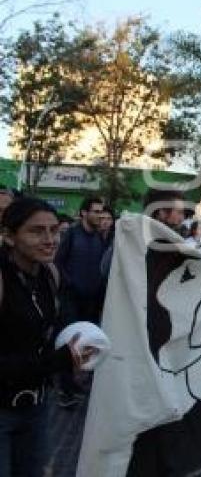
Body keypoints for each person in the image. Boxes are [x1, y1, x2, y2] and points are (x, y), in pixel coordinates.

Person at [0, 197, 94, 477]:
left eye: (54, 230)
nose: (50, 239)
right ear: (9, 236)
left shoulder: (51, 274)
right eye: (36, 231)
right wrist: (57, 360)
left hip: (37, 408)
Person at [53, 196, 108, 408]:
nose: (99, 215)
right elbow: (57, 262)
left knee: (88, 342)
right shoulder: (71, 235)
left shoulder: (99, 237)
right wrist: (70, 284)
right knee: (70, 342)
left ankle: (75, 384)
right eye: (95, 211)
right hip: (71, 300)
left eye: (101, 212)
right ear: (84, 213)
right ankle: (64, 391)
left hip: (92, 302)